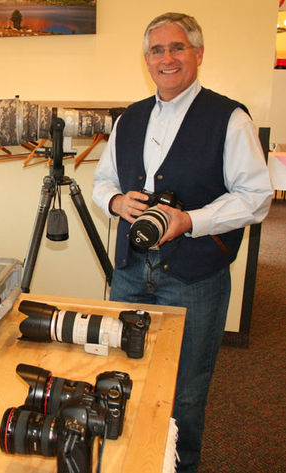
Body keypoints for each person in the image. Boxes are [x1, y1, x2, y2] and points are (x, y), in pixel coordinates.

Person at [92, 12, 273, 473]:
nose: (167, 58)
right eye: (157, 50)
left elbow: (256, 198)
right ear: (146, 59)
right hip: (131, 271)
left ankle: (180, 466)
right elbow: (102, 181)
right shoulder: (128, 118)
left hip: (194, 278)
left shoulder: (229, 118)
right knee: (122, 378)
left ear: (198, 53)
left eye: (177, 48)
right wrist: (115, 201)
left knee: (186, 391)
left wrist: (189, 220)